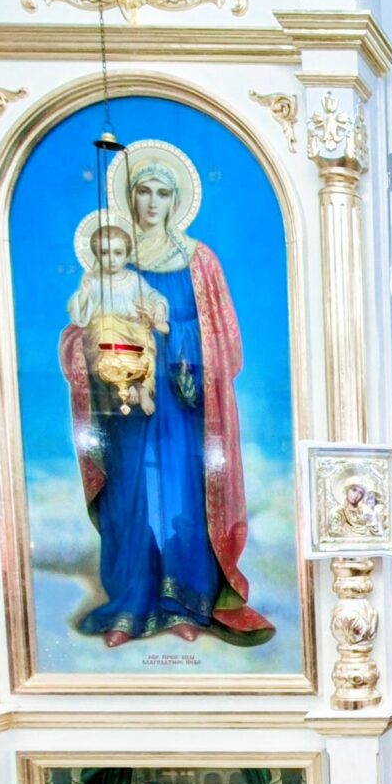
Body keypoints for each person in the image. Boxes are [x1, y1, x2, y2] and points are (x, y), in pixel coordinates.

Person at [58, 149, 273, 649]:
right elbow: (79, 329)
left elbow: (225, 339)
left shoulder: (200, 260)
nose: (152, 202)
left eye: (162, 193)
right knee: (127, 492)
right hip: (123, 397)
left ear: (176, 200)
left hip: (180, 396)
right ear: (129, 197)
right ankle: (130, 602)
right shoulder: (111, 257)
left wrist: (172, 337)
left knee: (184, 491)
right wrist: (97, 346)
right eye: (143, 191)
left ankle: (185, 603)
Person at [67, 218, 169, 417]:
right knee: (106, 334)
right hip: (105, 328)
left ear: (127, 255)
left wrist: (158, 305)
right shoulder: (93, 280)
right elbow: (79, 314)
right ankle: (125, 385)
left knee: (146, 340)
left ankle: (143, 389)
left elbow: (153, 295)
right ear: (97, 254)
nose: (111, 259)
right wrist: (84, 295)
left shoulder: (133, 279)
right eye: (105, 253)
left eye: (118, 253)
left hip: (132, 326)